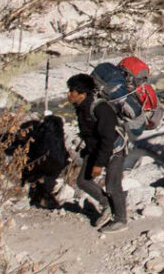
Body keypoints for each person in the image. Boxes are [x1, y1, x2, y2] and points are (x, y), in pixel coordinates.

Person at [67, 74, 128, 232]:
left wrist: (99, 164)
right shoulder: (81, 108)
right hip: (96, 149)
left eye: (71, 91)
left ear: (82, 94)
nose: (68, 94)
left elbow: (107, 139)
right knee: (83, 181)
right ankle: (107, 204)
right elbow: (90, 133)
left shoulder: (100, 108)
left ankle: (121, 220)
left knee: (113, 186)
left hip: (114, 150)